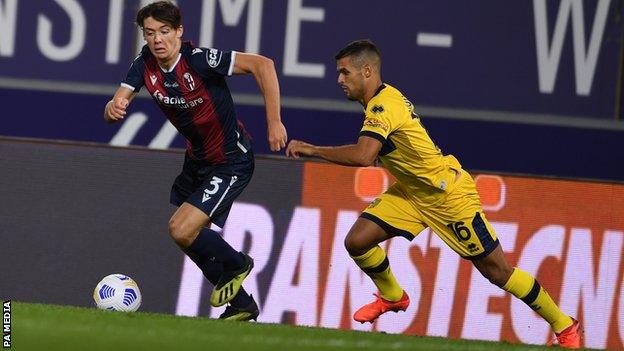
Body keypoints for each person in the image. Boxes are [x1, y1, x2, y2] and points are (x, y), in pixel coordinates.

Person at [285, 39, 581, 348]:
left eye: (345, 73)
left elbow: (364, 156)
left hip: (447, 197)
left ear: (367, 70)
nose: (339, 80)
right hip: (413, 194)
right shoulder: (380, 102)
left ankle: (564, 325)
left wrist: (313, 149)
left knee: (497, 271)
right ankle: (393, 296)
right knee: (357, 241)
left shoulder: (384, 106)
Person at [104, 1, 287, 321]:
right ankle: (242, 304)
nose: (158, 39)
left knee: (182, 229)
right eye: (150, 33)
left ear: (179, 31)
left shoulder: (200, 60)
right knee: (185, 235)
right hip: (197, 161)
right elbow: (119, 99)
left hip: (231, 160)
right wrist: (113, 107)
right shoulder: (144, 64)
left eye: (164, 31)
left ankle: (238, 264)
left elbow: (264, 65)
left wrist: (274, 121)